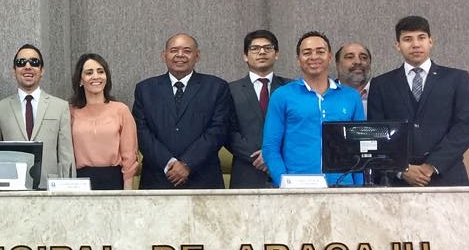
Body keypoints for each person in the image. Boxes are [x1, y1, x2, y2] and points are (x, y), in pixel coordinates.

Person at [369, 16, 469, 186]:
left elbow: (466, 126)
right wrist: (402, 169)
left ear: (431, 41)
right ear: (397, 45)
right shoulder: (381, 84)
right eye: (407, 39)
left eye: (421, 37)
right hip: (399, 180)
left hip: (448, 176)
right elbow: (378, 132)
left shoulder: (456, 78)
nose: (415, 44)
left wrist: (431, 166)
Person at [261, 32, 364, 187]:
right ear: (298, 59)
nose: (314, 57)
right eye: (307, 53)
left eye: (320, 52)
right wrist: (285, 183)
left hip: (343, 187)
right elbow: (270, 148)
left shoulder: (351, 97)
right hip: (296, 187)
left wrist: (360, 190)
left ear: (329, 57)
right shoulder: (282, 95)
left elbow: (360, 146)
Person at [132, 34, 232, 189]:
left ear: (197, 56)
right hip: (158, 178)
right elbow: (141, 131)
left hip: (203, 178)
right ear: (164, 55)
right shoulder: (145, 89)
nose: (180, 55)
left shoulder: (216, 87)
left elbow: (218, 130)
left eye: (187, 50)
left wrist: (187, 163)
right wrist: (169, 163)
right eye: (174, 50)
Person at [0, 44, 74, 188]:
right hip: (12, 188)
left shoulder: (60, 106)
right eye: (21, 63)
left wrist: (69, 190)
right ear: (14, 70)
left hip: (50, 187)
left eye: (34, 62)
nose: (28, 66)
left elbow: (66, 155)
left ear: (42, 70)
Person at [227, 30, 291, 189]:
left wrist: (271, 156)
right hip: (247, 170)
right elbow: (227, 131)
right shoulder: (230, 90)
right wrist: (259, 157)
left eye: (268, 48)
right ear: (245, 56)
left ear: (276, 54)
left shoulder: (291, 88)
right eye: (255, 48)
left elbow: (298, 127)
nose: (262, 52)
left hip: (286, 168)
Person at [68, 53, 138, 190]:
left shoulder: (121, 110)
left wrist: (127, 191)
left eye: (100, 71)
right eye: (89, 73)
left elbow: (129, 155)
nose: (96, 76)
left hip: (113, 179)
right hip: (79, 181)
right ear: (80, 80)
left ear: (106, 77)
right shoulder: (70, 112)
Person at [335, 42, 372, 114]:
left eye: (363, 57)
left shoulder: (383, 94)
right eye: (350, 57)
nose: (358, 62)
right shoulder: (326, 94)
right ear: (337, 64)